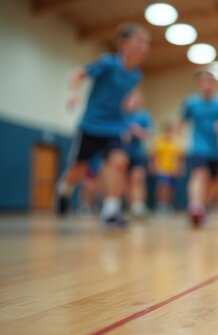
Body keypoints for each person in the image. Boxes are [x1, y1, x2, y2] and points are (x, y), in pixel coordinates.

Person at [56, 23, 150, 227]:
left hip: (114, 126)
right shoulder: (108, 64)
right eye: (139, 41)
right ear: (123, 43)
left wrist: (126, 121)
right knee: (78, 171)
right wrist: (74, 93)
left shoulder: (135, 75)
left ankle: (111, 211)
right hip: (91, 125)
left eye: (146, 43)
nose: (144, 47)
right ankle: (64, 189)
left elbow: (122, 101)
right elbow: (78, 74)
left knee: (119, 162)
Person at [181, 71, 218, 227]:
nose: (207, 85)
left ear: (215, 85)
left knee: (213, 182)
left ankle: (203, 207)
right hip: (198, 148)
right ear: (199, 85)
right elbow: (182, 122)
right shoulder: (190, 103)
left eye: (210, 82)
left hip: (215, 150)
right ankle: (195, 206)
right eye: (203, 82)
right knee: (199, 174)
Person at [124, 90, 153, 218]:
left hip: (137, 153)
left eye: (135, 100)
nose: (133, 102)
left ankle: (138, 205)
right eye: (130, 99)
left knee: (138, 178)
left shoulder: (143, 116)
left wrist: (138, 132)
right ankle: (130, 205)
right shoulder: (120, 116)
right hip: (122, 153)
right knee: (126, 182)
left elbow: (149, 134)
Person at [149, 124, 183, 214]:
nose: (168, 133)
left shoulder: (176, 143)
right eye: (166, 131)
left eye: (170, 131)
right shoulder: (158, 142)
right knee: (162, 187)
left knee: (171, 188)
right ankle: (161, 205)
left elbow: (179, 157)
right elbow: (153, 156)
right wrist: (153, 167)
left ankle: (168, 205)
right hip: (161, 169)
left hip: (172, 170)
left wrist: (179, 168)